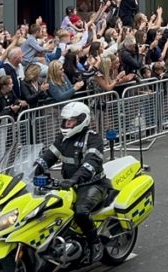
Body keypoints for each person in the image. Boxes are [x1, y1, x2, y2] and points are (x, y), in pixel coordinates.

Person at [33, 102, 108, 265]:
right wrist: (35, 168)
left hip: (92, 184)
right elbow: (49, 156)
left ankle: (95, 243)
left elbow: (91, 163)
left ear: (82, 120)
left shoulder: (93, 138)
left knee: (80, 211)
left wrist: (75, 179)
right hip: (69, 185)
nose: (67, 124)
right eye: (66, 121)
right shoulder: (63, 138)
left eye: (71, 121)